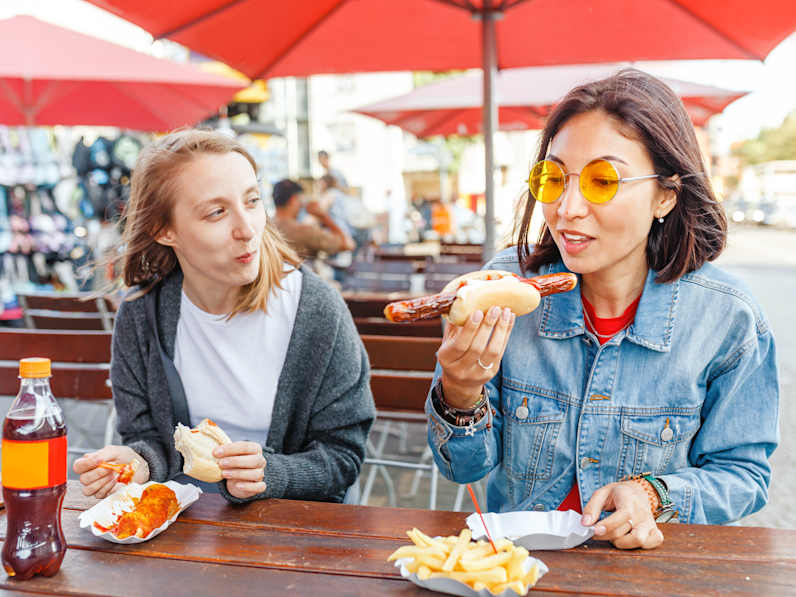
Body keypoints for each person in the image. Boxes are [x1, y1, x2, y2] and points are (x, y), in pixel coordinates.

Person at [426, 69, 778, 549]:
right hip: (523, 569)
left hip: (653, 576)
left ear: (666, 194)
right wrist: (460, 393)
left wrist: (654, 493)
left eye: (601, 180)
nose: (567, 207)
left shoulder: (726, 320)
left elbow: (744, 475)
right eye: (554, 178)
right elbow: (462, 468)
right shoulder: (506, 288)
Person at [73, 129, 375, 504]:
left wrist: (273, 473)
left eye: (252, 201)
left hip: (298, 530)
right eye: (217, 212)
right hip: (186, 527)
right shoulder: (141, 317)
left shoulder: (316, 311)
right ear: (163, 230)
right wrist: (138, 462)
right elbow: (148, 440)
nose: (247, 229)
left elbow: (343, 457)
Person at [271, 178, 355, 260]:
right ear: (293, 199)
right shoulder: (304, 231)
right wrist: (323, 216)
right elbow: (348, 244)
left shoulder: (266, 227)